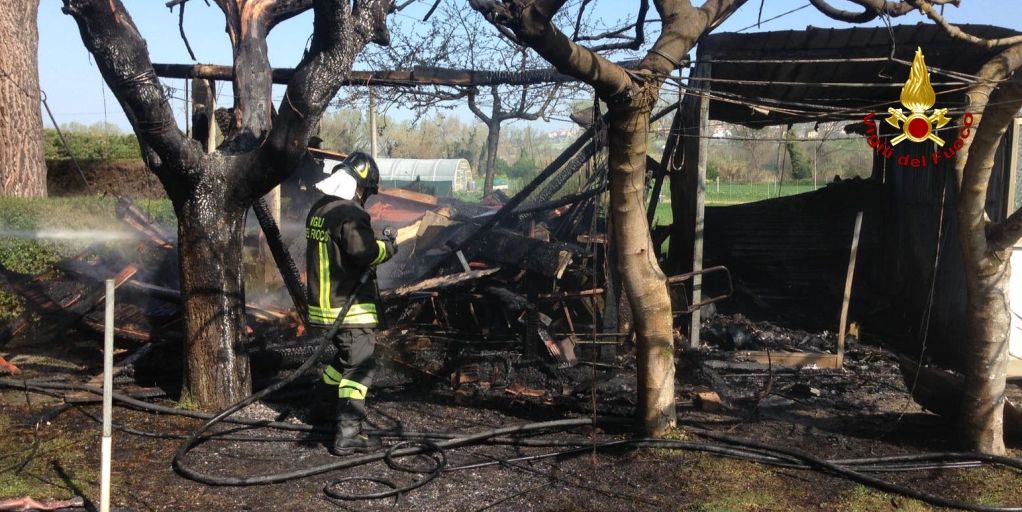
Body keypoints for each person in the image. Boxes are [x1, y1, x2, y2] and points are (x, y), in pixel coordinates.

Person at [305, 151, 396, 454]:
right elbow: (364, 253)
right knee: (360, 365)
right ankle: (348, 433)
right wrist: (388, 247)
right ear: (360, 186)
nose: (366, 197)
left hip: (323, 306)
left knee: (344, 359)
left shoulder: (319, 210)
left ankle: (320, 407)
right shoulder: (351, 214)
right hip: (347, 306)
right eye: (367, 191)